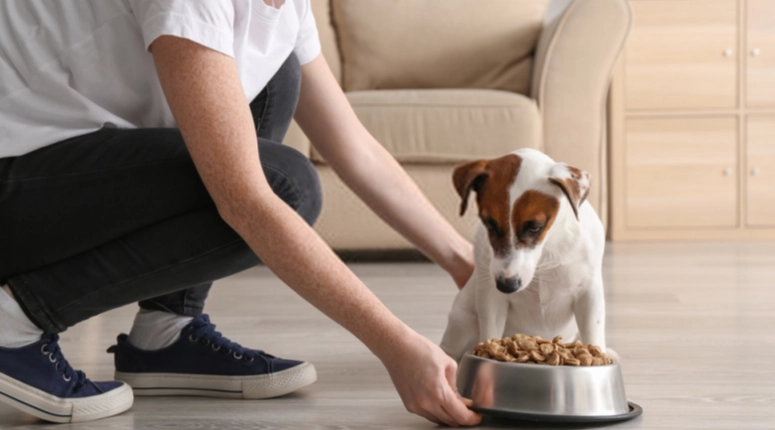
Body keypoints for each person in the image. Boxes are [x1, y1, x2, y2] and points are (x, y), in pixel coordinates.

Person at [0, 0, 482, 426]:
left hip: (57, 164)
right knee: (287, 188)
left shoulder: (286, 6)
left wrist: (466, 263)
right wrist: (396, 346)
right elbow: (245, 201)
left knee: (278, 70)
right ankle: (11, 324)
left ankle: (166, 331)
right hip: (14, 175)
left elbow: (355, 149)